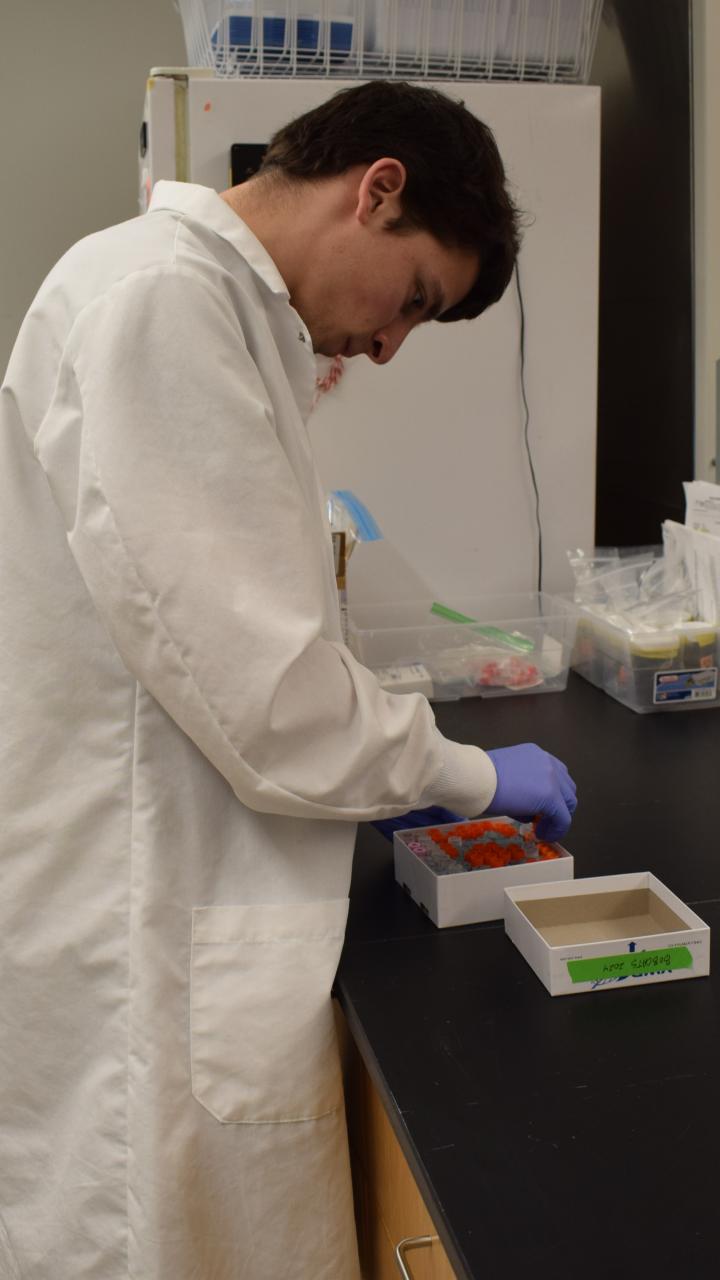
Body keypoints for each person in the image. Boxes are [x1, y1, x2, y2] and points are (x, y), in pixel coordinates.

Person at [0, 80, 576, 1279]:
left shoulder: (200, 306)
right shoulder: (161, 302)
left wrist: (389, 764)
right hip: (144, 903)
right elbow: (262, 693)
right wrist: (456, 768)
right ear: (378, 188)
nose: (386, 344)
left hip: (179, 867)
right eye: (413, 298)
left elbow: (233, 626)